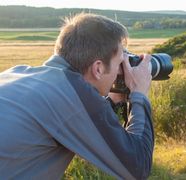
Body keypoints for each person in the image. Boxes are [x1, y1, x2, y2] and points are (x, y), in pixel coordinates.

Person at [0, 13, 154, 179]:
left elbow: (70, 118)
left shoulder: (15, 73)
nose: (120, 71)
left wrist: (112, 101)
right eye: (119, 64)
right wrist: (139, 94)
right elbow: (137, 166)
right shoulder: (72, 93)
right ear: (98, 69)